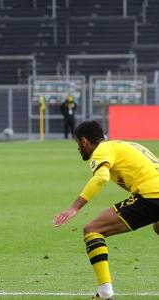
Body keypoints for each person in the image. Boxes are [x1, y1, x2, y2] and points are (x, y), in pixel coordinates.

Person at [53, 120, 159, 300]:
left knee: (93, 230)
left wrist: (74, 207)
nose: (79, 149)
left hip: (151, 195)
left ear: (84, 141)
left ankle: (104, 293)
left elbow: (101, 177)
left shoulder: (101, 151)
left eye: (78, 144)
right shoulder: (125, 145)